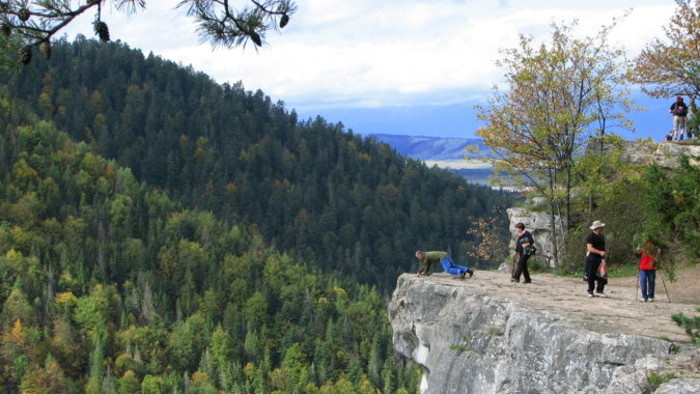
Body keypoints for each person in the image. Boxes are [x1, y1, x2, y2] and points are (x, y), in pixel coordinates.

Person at [585, 220, 607, 297]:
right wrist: (600, 252)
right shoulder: (590, 236)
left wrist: (603, 254)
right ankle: (590, 291)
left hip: (601, 258)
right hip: (592, 257)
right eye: (601, 227)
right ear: (597, 228)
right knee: (591, 274)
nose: (602, 228)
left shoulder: (601, 236)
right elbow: (590, 248)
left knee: (602, 274)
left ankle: (600, 290)